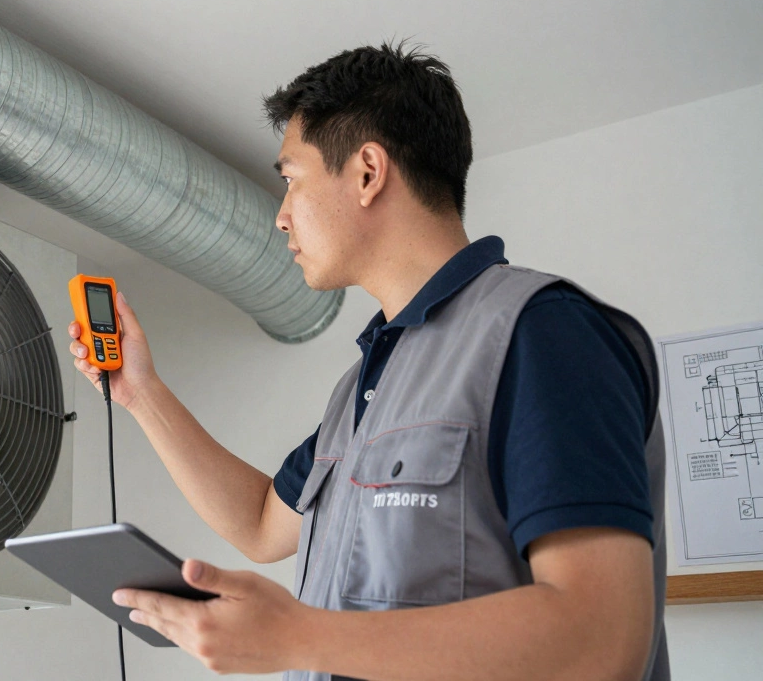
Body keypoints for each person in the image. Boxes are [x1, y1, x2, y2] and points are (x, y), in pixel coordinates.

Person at [67, 42, 667, 681]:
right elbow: (263, 523)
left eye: (291, 178)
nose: (280, 215)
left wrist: (301, 636)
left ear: (367, 172)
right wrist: (141, 393)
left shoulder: (541, 334)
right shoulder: (362, 385)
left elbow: (602, 638)